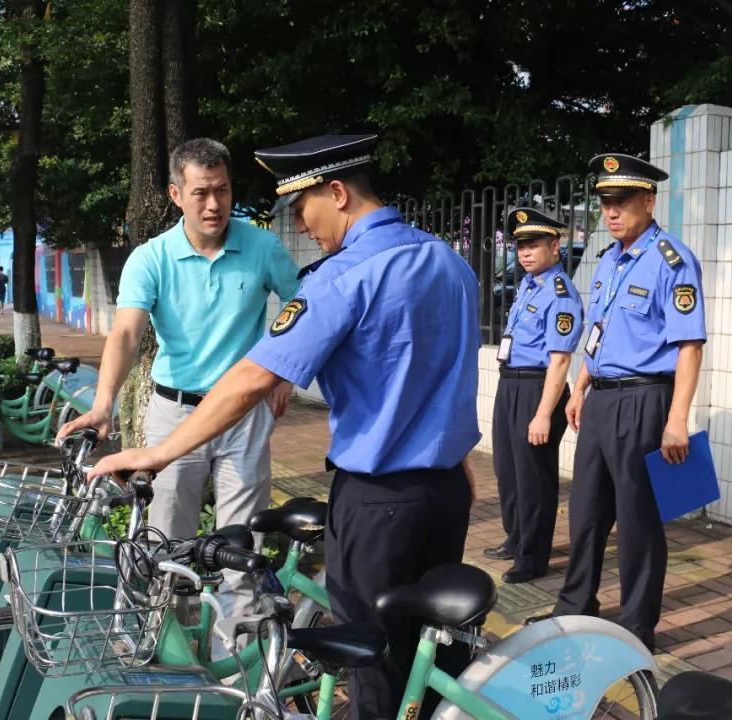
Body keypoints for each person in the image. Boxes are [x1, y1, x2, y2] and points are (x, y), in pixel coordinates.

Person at [87, 133, 481, 719]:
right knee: (431, 654)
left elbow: (249, 379)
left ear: (339, 193)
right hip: (448, 491)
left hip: (378, 505)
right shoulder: (448, 261)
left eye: (304, 208)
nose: (302, 226)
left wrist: (158, 453)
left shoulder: (344, 275)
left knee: (369, 664)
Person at [58, 137, 299, 620]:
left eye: (223, 191)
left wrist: (283, 373)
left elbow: (301, 309)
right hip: (174, 412)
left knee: (243, 543)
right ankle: (173, 651)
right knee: (168, 540)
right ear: (175, 194)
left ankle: (238, 665)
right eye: (201, 192)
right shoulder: (151, 258)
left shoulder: (263, 247)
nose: (214, 205)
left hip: (241, 415)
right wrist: (104, 403)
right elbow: (126, 333)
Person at [551, 153, 706, 652]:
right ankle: (576, 606)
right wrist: (579, 387)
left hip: (645, 400)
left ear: (648, 200)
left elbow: (689, 345)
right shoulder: (609, 261)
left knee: (638, 519)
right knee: (586, 510)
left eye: (621, 202)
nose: (611, 212)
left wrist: (677, 419)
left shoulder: (671, 261)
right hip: (600, 400)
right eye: (604, 203)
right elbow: (597, 333)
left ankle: (637, 626)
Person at [485, 208, 583, 584]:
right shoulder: (529, 283)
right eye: (521, 246)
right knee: (508, 471)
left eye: (534, 245)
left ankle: (533, 557)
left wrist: (543, 414)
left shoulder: (561, 293)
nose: (525, 253)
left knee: (534, 479)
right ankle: (517, 538)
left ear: (554, 246)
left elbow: (560, 362)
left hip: (539, 388)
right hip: (511, 384)